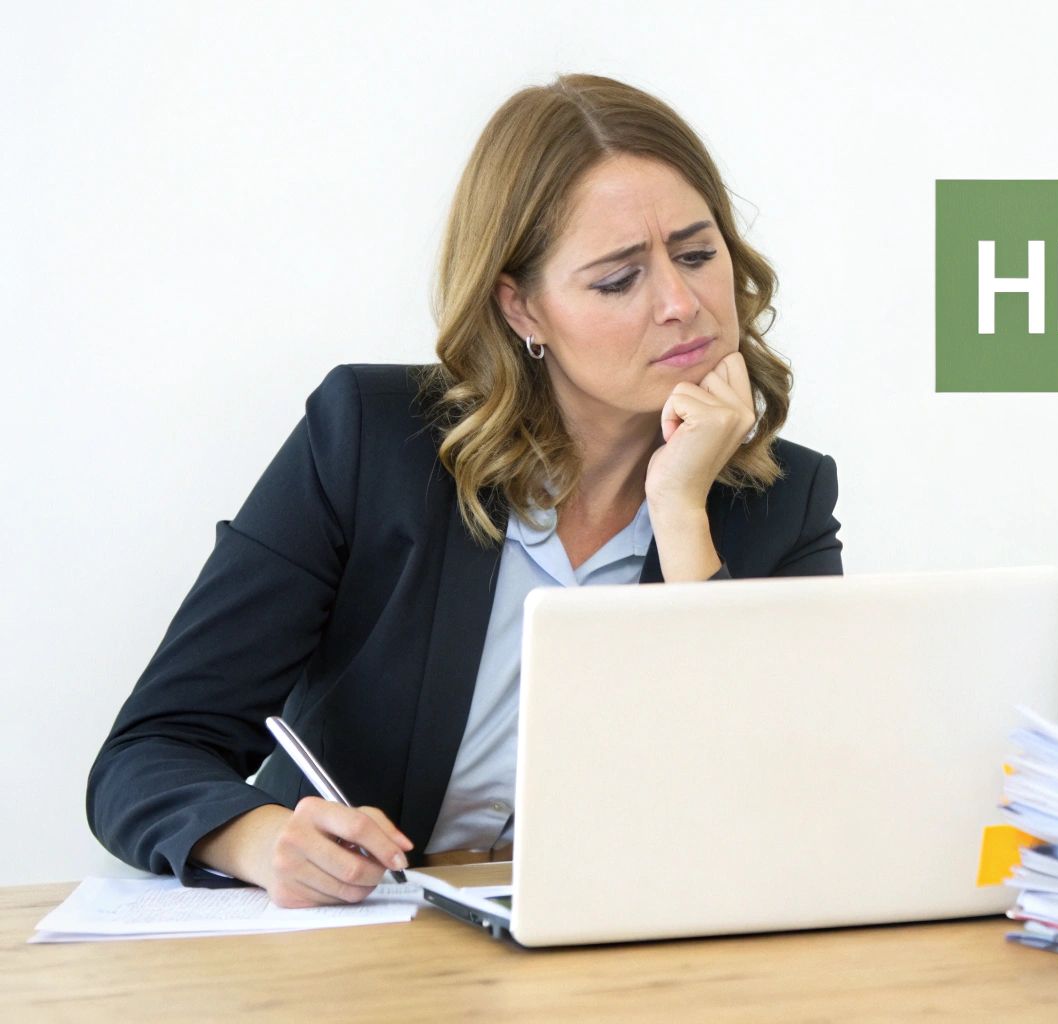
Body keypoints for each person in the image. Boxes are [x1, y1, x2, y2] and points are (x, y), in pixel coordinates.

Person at [87, 73, 843, 908]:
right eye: (618, 280)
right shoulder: (368, 442)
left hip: (619, 944)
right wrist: (261, 841)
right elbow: (149, 752)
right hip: (372, 942)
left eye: (697, 255)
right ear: (521, 309)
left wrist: (680, 512)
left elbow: (789, 804)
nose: (681, 303)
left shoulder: (784, 500)